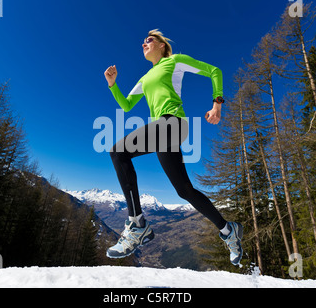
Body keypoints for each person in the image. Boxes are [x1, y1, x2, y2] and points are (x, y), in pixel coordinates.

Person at [103, 29, 243, 266]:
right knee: (184, 191)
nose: (144, 43)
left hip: (173, 123)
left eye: (149, 40)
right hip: (161, 130)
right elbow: (126, 105)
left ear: (161, 45)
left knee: (118, 151)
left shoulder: (174, 61)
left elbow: (214, 71)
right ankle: (229, 230)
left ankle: (138, 224)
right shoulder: (145, 78)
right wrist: (112, 85)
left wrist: (217, 103)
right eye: (143, 41)